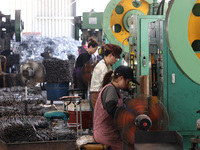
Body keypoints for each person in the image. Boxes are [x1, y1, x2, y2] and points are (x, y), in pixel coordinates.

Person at [93, 66, 140, 150]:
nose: (128, 85)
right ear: (121, 78)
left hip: (108, 133)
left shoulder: (114, 89)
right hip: (106, 135)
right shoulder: (110, 89)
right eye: (128, 82)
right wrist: (127, 118)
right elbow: (111, 109)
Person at [90, 44, 122, 109]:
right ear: (110, 56)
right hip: (96, 96)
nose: (116, 61)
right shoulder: (102, 67)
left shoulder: (108, 66)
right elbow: (107, 84)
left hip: (100, 95)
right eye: (116, 59)